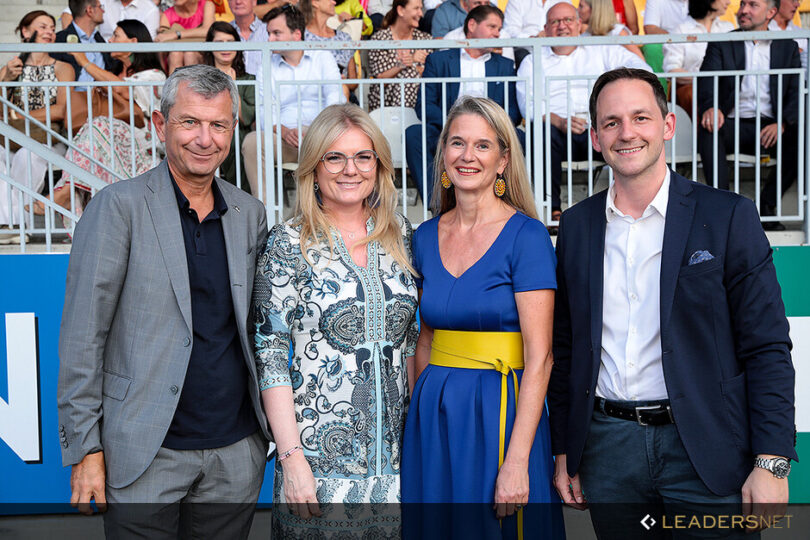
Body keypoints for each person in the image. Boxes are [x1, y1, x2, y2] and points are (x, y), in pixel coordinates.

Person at [550, 67, 796, 539]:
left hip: (707, 449)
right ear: (597, 138)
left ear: (667, 126)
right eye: (611, 122)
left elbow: (766, 347)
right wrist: (566, 448)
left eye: (640, 118)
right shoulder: (577, 227)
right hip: (609, 452)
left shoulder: (727, 215)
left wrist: (772, 462)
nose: (627, 133)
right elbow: (567, 349)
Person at [57, 64, 270, 537]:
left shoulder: (248, 213)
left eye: (218, 125)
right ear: (160, 124)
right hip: (144, 450)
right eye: (189, 122)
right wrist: (86, 450)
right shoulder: (117, 206)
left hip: (234, 454)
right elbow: (82, 335)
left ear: (233, 130)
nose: (204, 138)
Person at [401, 96, 564, 539]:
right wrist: (422, 413)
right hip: (435, 415)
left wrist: (516, 461)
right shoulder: (424, 236)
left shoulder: (526, 236)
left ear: (503, 160)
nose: (467, 156)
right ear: (442, 156)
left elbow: (541, 358)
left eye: (482, 145)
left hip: (501, 414)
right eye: (457, 143)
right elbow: (426, 338)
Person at [252, 103, 418, 537]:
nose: (351, 170)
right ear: (313, 167)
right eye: (335, 157)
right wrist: (291, 459)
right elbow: (270, 355)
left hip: (398, 465)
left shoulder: (403, 235)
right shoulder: (288, 243)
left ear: (379, 166)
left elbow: (416, 343)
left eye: (363, 157)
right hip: (317, 466)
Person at [516, 0, 650, 227]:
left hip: (596, 129)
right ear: (545, 29)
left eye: (568, 20)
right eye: (555, 21)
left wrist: (616, 106)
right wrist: (558, 121)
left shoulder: (600, 49)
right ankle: (553, 210)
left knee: (623, 133)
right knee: (542, 135)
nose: (562, 26)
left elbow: (641, 70)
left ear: (580, 25)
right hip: (556, 132)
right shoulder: (532, 60)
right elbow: (527, 105)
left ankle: (632, 205)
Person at [45, 19, 166, 217]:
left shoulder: (154, 75)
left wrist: (84, 62)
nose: (109, 40)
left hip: (142, 145)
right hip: (111, 141)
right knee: (94, 129)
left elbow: (122, 89)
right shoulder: (113, 73)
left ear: (134, 42)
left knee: (98, 125)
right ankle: (70, 191)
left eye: (116, 36)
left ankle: (66, 191)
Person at [697, 0, 800, 230]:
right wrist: (711, 107)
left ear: (771, 12)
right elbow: (706, 81)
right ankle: (723, 210)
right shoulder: (722, 42)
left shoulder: (787, 47)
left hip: (770, 126)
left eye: (753, 5)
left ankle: (767, 207)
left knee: (799, 137)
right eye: (743, 4)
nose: (743, 10)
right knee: (708, 129)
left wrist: (782, 123)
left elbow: (795, 91)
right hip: (731, 123)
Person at [405, 5, 520, 204]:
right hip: (446, 130)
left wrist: (493, 126)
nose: (497, 34)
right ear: (472, 25)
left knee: (522, 138)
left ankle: (507, 205)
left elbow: (513, 111)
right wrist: (450, 125)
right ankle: (437, 205)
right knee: (415, 135)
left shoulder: (504, 65)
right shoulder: (439, 60)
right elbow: (425, 103)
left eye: (499, 29)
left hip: (490, 133)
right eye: (492, 27)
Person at [241, 3, 343, 201]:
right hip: (284, 138)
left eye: (276, 33)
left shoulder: (323, 57)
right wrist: (284, 131)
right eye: (269, 33)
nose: (269, 40)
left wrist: (313, 132)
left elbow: (335, 101)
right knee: (252, 142)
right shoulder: (266, 66)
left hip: (322, 137)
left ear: (296, 35)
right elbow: (264, 112)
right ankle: (266, 216)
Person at [0, 10, 75, 241]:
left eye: (52, 28)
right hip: (12, 137)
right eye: (42, 27)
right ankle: (7, 224)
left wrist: (23, 116)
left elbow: (62, 109)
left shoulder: (63, 67)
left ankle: (18, 225)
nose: (49, 31)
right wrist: (6, 80)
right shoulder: (11, 67)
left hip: (50, 140)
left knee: (27, 157)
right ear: (25, 32)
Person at [204, 21, 256, 189]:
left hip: (236, 133)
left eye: (230, 42)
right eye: (219, 43)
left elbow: (246, 117)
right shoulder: (201, 78)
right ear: (210, 47)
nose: (225, 48)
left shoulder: (248, 80)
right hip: (207, 129)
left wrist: (232, 85)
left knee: (236, 139)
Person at [663, 0, 733, 115]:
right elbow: (672, 69)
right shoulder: (681, 30)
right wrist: (704, 80)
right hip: (693, 86)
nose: (729, 2)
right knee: (693, 94)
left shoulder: (728, 28)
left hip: (724, 86)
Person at [368, 0, 432, 110]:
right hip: (384, 102)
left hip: (419, 100)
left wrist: (413, 68)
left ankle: (403, 121)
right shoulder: (380, 39)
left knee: (411, 74)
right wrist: (405, 63)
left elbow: (429, 75)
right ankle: (403, 121)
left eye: (421, 9)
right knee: (410, 74)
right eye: (416, 8)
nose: (421, 14)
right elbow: (380, 80)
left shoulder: (425, 39)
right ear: (400, 10)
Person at [301, 0, 360, 98]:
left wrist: (342, 82)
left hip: (342, 95)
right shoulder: (301, 37)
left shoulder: (344, 38)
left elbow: (353, 83)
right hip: (310, 97)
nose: (334, 2)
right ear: (315, 2)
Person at [53, 0, 120, 82]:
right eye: (100, 7)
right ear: (90, 10)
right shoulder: (59, 40)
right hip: (72, 94)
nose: (103, 11)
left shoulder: (99, 39)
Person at [155, 0, 216, 73]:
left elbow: (207, 31)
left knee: (189, 54)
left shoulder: (207, 5)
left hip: (200, 58)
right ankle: (172, 83)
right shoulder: (167, 15)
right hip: (173, 59)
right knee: (175, 54)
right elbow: (161, 40)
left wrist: (176, 35)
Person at [60, 0, 162, 40]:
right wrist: (77, 41)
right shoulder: (102, 1)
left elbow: (147, 43)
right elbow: (68, 13)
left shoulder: (150, 9)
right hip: (103, 54)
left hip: (132, 59)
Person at [578, 0, 643, 59]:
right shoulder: (584, 36)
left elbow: (641, 63)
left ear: (595, 9)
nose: (577, 10)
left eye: (581, 6)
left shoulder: (618, 33)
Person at [229, 0, 270, 76]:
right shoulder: (224, 33)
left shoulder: (269, 31)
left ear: (254, 1)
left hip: (265, 86)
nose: (238, 2)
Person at [769, 0, 807, 68]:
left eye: (798, 0)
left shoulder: (804, 35)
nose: (797, 5)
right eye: (793, 0)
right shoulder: (758, 33)